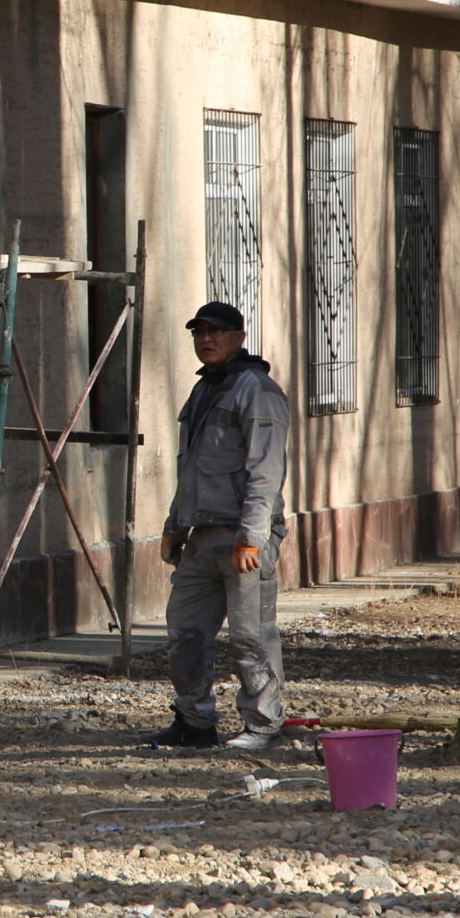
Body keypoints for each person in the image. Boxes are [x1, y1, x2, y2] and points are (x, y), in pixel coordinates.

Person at [155, 300, 293, 752]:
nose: (206, 339)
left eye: (216, 331)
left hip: (242, 539)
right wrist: (175, 525)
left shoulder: (257, 391)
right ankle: (194, 721)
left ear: (239, 337)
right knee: (184, 634)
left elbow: (265, 473)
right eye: (198, 332)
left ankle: (263, 725)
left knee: (251, 637)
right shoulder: (205, 390)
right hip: (202, 538)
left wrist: (252, 536)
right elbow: (193, 466)